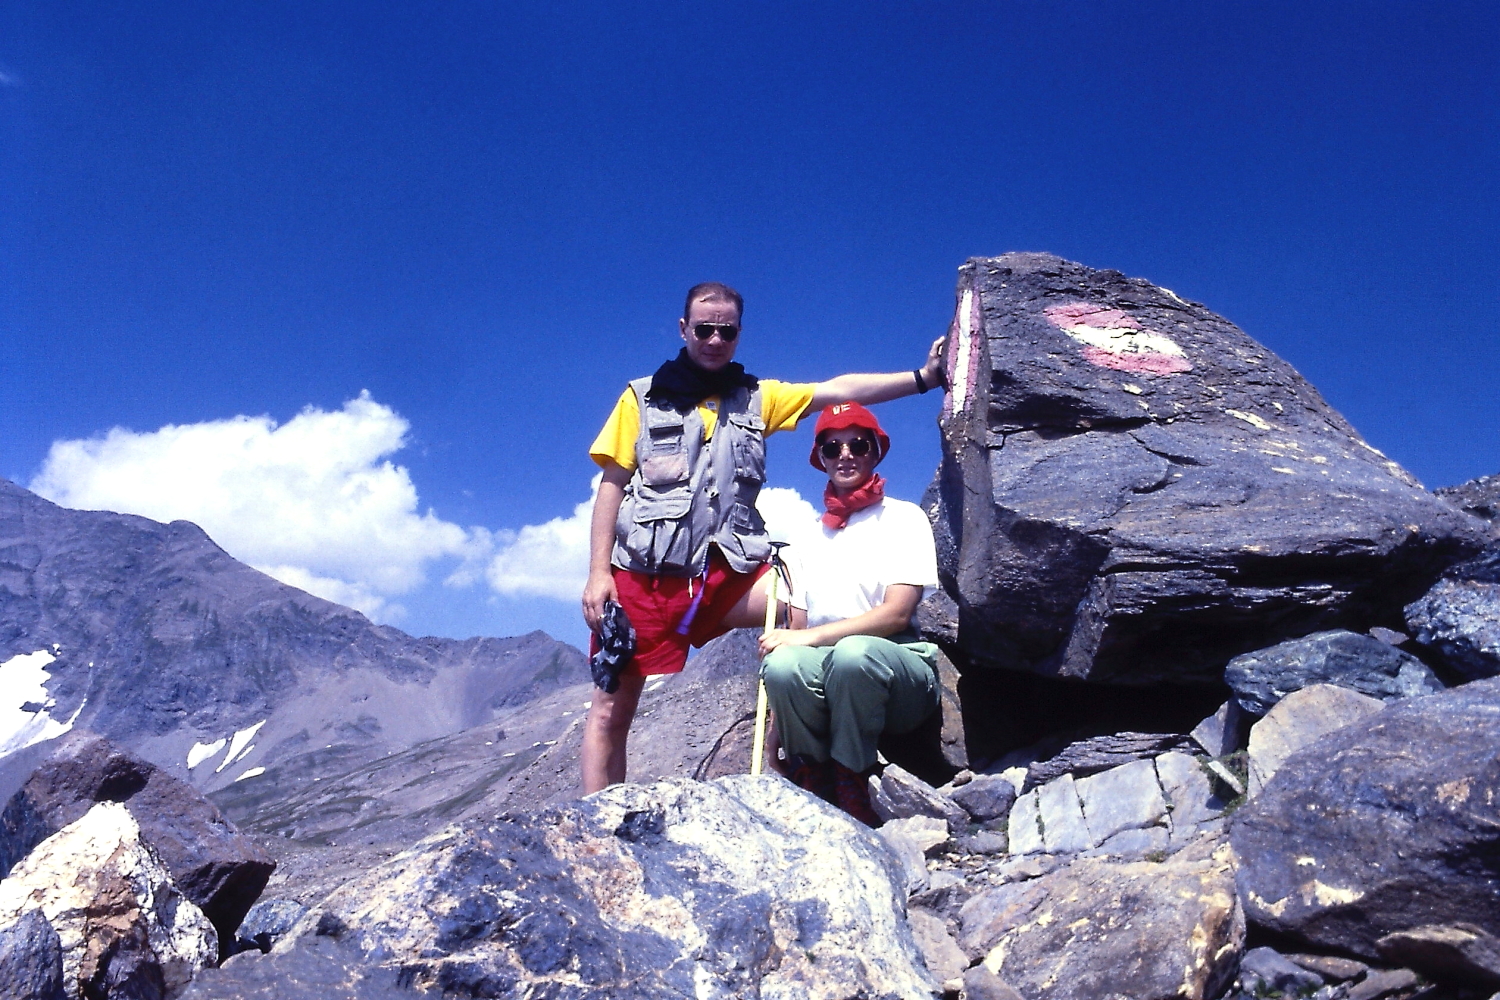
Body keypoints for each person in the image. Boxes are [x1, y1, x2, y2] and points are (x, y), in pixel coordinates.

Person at [580, 281, 943, 793]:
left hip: (727, 573)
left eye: (726, 331)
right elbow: (612, 486)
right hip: (645, 577)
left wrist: (923, 378)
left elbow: (838, 390)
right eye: (704, 329)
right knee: (610, 711)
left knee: (800, 599)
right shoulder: (640, 399)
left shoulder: (758, 399)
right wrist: (598, 573)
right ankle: (597, 822)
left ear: (738, 334)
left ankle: (805, 751)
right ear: (683, 330)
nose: (714, 340)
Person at [758, 401, 940, 825]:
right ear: (820, 458)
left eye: (858, 444)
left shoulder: (904, 518)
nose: (845, 455)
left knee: (853, 654)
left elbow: (896, 614)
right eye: (832, 447)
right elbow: (795, 635)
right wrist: (776, 726)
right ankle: (812, 773)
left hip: (897, 666)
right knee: (781, 664)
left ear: (875, 452)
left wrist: (805, 638)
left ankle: (852, 776)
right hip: (829, 668)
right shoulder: (804, 539)